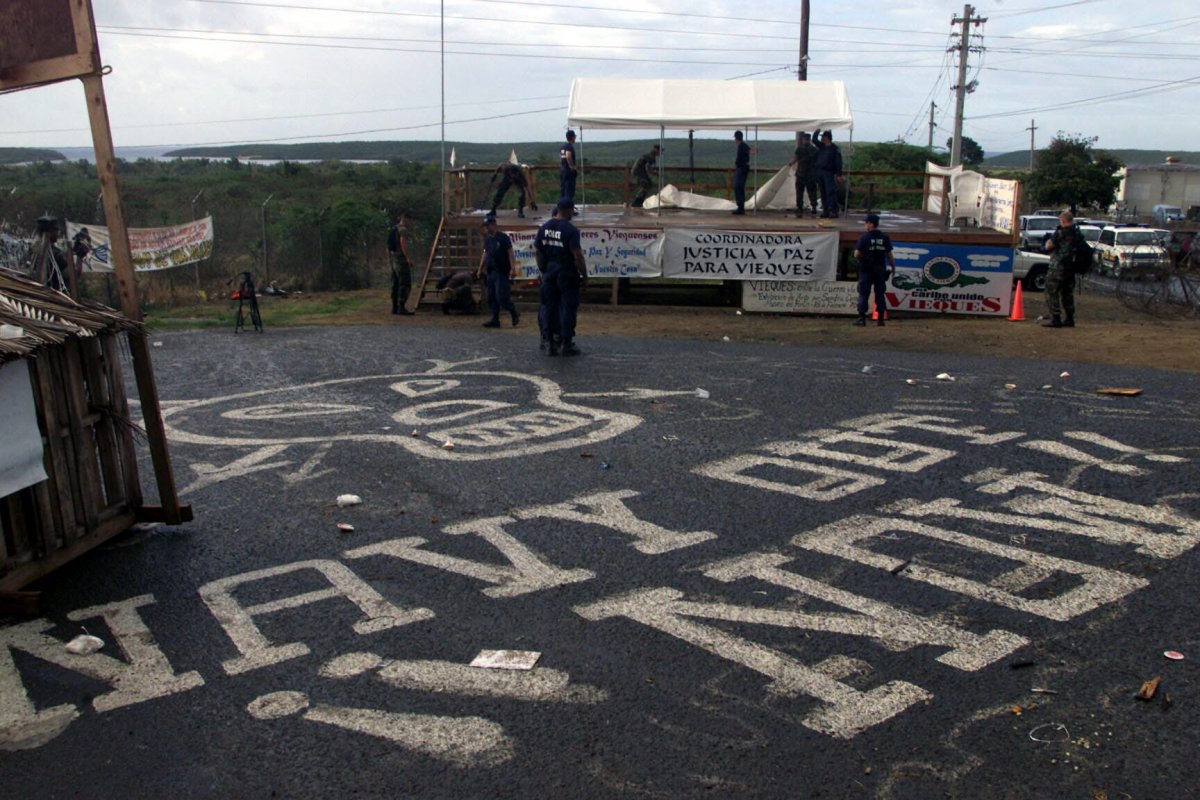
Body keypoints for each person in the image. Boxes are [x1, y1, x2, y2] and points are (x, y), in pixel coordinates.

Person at [535, 199, 588, 356]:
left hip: (549, 271)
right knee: (568, 307)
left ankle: (549, 341)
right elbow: (577, 255)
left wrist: (543, 269)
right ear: (568, 210)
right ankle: (566, 342)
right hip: (566, 272)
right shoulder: (570, 230)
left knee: (549, 306)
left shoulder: (543, 228)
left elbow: (538, 251)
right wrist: (584, 276)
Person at [477, 214, 520, 328]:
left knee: (501, 296)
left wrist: (513, 268)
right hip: (491, 270)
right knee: (491, 296)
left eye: (488, 225)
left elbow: (510, 252)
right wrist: (480, 268)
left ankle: (513, 311)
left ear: (493, 225)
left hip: (501, 270)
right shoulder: (488, 239)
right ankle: (495, 319)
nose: (486, 228)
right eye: (485, 226)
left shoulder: (503, 237)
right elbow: (485, 253)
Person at [852, 213, 894, 327]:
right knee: (880, 294)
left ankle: (861, 318)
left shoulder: (864, 237)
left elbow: (856, 254)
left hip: (866, 270)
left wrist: (862, 259)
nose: (865, 225)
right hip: (880, 269)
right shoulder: (884, 237)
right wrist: (893, 267)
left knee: (863, 294)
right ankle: (880, 319)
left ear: (871, 224)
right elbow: (889, 254)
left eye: (866, 223)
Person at [1042, 210, 1080, 328]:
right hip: (1070, 267)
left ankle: (1056, 318)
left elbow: (1049, 246)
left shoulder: (1060, 233)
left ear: (1063, 221)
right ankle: (1069, 318)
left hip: (1058, 266)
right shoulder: (1077, 233)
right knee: (1067, 293)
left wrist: (1048, 240)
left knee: (1051, 291)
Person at [387, 215, 415, 315]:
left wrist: (390, 259)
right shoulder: (403, 230)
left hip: (394, 260)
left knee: (395, 284)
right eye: (410, 220)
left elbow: (388, 246)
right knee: (405, 284)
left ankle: (395, 307)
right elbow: (403, 243)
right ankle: (401, 307)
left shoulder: (393, 229)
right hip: (401, 260)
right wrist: (408, 258)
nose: (411, 223)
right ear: (406, 219)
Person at [788, 132, 819, 218]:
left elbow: (795, 158)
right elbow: (796, 158)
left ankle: (807, 207)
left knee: (807, 191)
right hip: (805, 173)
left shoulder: (802, 149)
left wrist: (791, 163)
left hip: (805, 173)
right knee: (806, 191)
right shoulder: (814, 150)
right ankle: (807, 207)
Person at [814, 130, 844, 218]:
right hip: (820, 171)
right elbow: (814, 140)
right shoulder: (822, 147)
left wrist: (839, 174)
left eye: (823, 136)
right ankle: (826, 210)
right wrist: (817, 130)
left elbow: (838, 162)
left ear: (827, 138)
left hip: (828, 172)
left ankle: (833, 210)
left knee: (830, 192)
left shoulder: (834, 149)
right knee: (823, 192)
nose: (821, 138)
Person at [732, 131, 751, 215]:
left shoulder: (742, 146)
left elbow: (750, 151)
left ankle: (740, 207)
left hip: (741, 168)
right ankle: (740, 206)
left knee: (738, 187)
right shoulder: (742, 145)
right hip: (742, 168)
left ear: (736, 138)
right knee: (739, 187)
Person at [559, 130, 579, 205]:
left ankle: (562, 206)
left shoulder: (562, 147)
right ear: (572, 137)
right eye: (575, 137)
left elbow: (561, 157)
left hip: (562, 170)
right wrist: (572, 167)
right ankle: (568, 207)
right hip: (568, 171)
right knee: (569, 190)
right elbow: (568, 156)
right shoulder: (569, 147)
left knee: (563, 190)